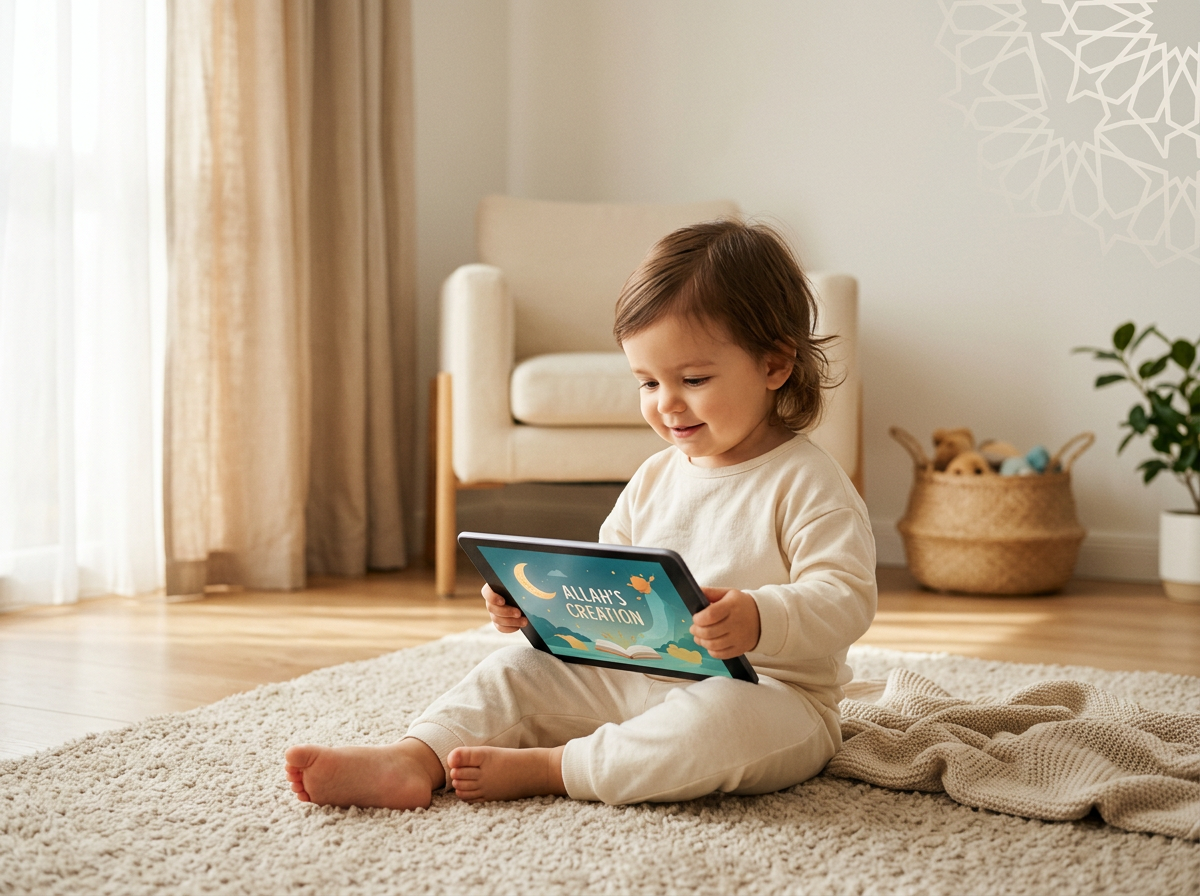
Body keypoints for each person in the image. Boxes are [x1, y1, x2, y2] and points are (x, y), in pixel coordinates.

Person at [284, 219, 877, 809]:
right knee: (517, 669)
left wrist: (760, 615)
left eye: (693, 379)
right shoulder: (654, 477)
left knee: (720, 725)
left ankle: (556, 767)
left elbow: (847, 597)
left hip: (771, 695)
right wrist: (538, 607)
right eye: (647, 382)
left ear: (775, 366)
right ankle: (414, 757)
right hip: (634, 674)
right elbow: (605, 581)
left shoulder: (808, 480)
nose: (666, 404)